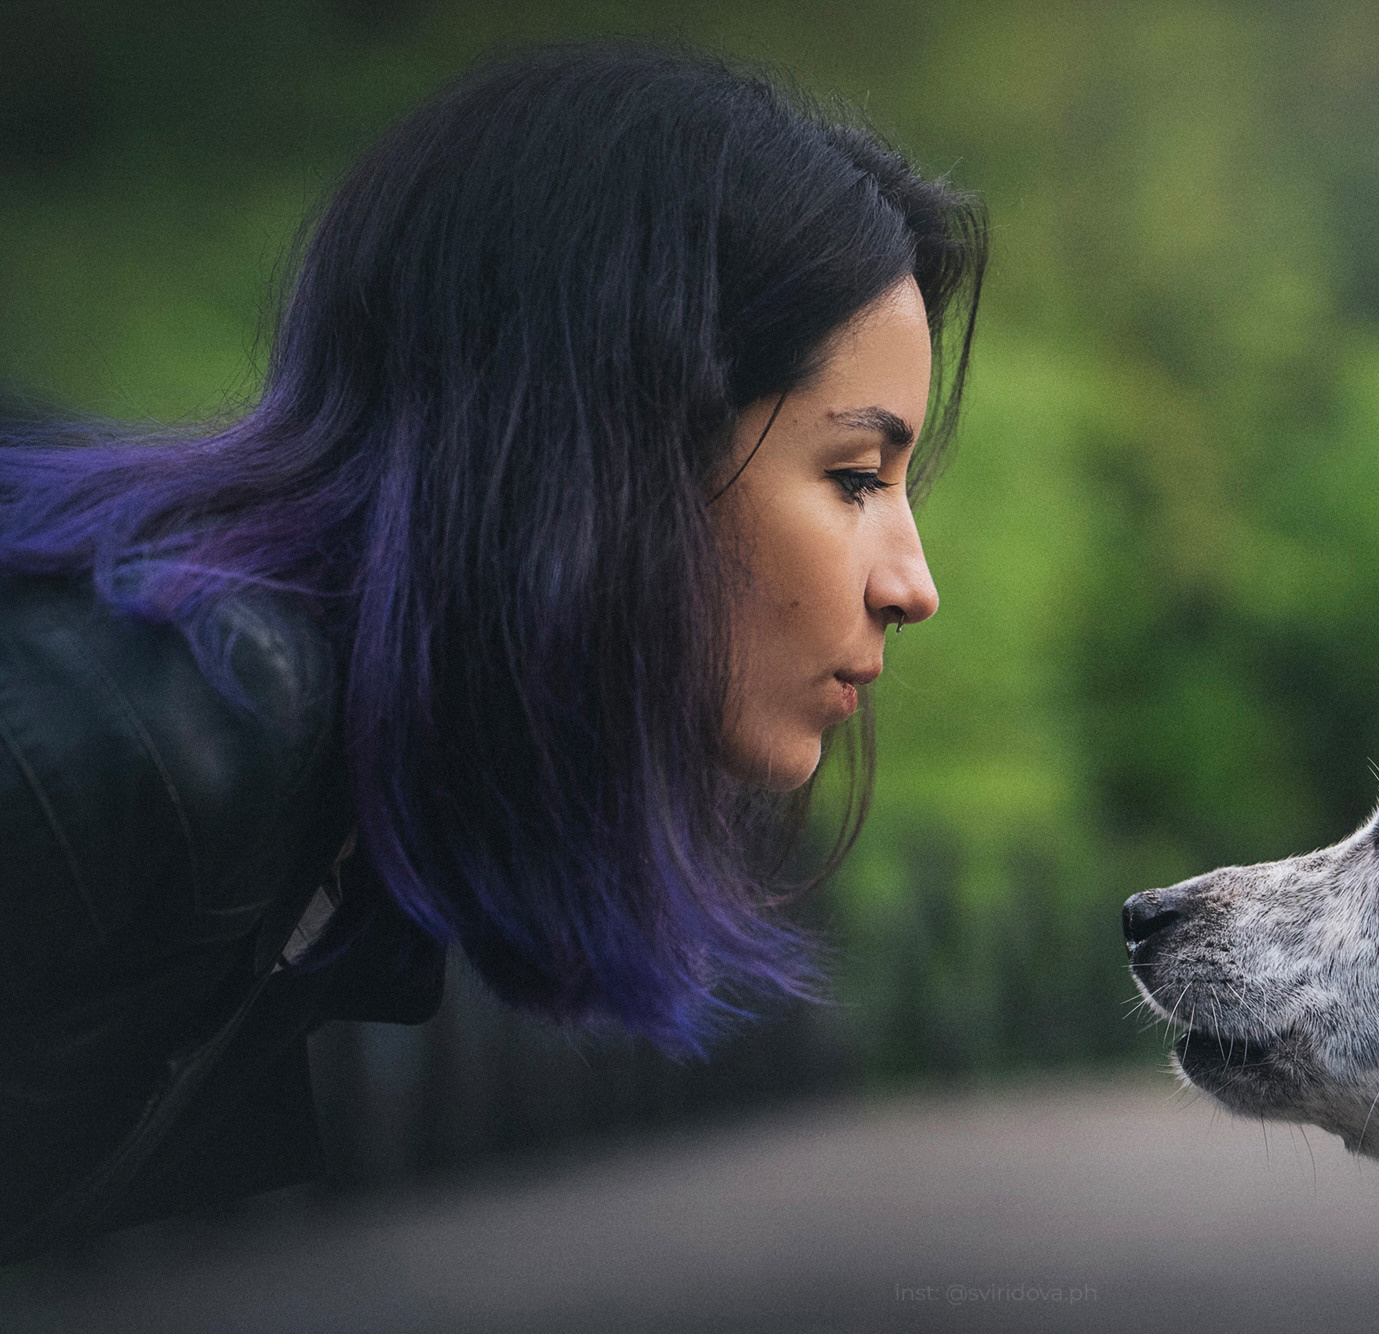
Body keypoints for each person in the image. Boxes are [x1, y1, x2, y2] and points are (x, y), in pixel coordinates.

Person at [0, 42, 985, 1261]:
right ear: (617, 448)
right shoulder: (136, 733)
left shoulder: (315, 777)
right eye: (853, 476)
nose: (912, 585)